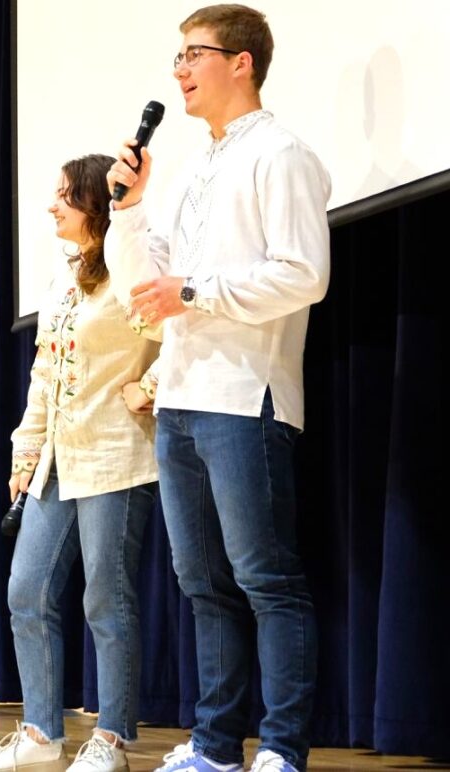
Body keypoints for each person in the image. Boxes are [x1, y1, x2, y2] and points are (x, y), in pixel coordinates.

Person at [104, 5, 331, 772]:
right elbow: (145, 285)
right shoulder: (197, 164)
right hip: (183, 396)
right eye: (176, 56)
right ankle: (213, 746)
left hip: (247, 395)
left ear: (242, 63)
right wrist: (129, 210)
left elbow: (304, 275)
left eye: (193, 54)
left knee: (266, 576)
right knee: (202, 584)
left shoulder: (282, 153)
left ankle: (284, 749)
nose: (178, 70)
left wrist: (192, 293)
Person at [0, 155, 160, 772]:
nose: (51, 206)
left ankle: (112, 738)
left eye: (63, 197)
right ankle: (41, 734)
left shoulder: (133, 264)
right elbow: (45, 371)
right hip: (56, 459)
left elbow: (176, 335)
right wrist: (25, 449)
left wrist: (150, 385)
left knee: (107, 597)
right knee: (26, 591)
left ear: (94, 206)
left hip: (117, 453)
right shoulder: (63, 277)